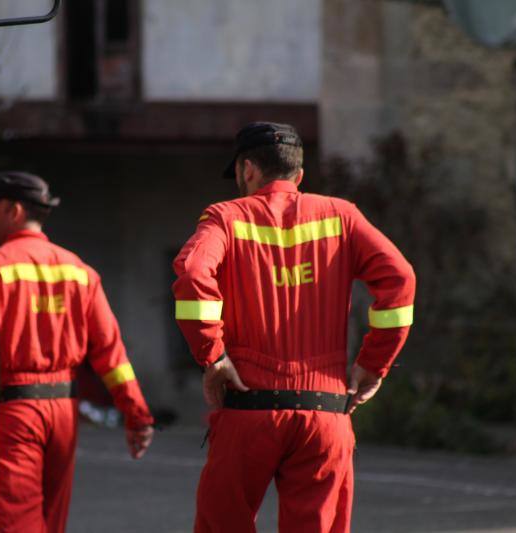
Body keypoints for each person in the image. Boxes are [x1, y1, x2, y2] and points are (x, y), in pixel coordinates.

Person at [172, 122, 416, 533]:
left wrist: (212, 357)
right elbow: (401, 279)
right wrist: (374, 364)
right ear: (299, 175)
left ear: (247, 169)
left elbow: (194, 275)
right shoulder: (342, 216)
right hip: (324, 414)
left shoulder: (225, 218)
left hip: (248, 411)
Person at [0, 171, 155, 533]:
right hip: (64, 412)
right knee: (51, 520)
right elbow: (111, 354)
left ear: (12, 210)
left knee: (19, 520)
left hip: (15, 411)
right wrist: (137, 415)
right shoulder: (79, 271)